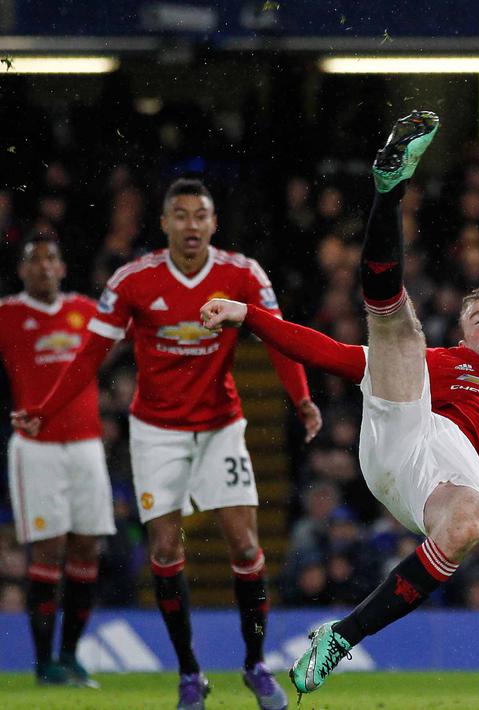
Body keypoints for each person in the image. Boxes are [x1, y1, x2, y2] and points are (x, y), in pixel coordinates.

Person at [198, 111, 479, 696]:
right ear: (464, 335)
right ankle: (389, 190)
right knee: (399, 329)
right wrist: (248, 315)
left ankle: (340, 638)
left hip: (454, 483)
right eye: (477, 319)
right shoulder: (446, 363)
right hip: (408, 431)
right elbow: (337, 356)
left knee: (470, 524)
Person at [12, 179, 319, 710]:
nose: (191, 225)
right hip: (156, 431)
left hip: (221, 424)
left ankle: (254, 664)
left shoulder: (242, 274)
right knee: (164, 550)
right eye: (180, 215)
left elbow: (278, 335)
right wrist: (43, 409)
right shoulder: (134, 280)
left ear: (214, 223)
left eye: (200, 215)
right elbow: (89, 355)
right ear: (165, 224)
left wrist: (304, 398)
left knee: (245, 545)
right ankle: (189, 672)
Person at [0, 234, 116, 688]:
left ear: (63, 268)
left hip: (87, 444)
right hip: (37, 447)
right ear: (23, 271)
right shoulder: (8, 314)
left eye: (52, 259)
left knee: (87, 546)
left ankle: (70, 656)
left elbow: (120, 341)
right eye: (35, 260)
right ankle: (44, 661)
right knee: (48, 549)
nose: (44, 267)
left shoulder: (86, 311)